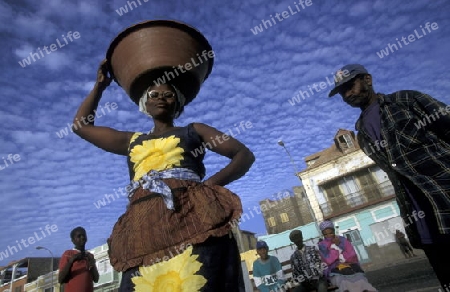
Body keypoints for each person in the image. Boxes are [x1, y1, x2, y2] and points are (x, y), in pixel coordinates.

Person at [72, 59, 255, 291]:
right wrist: (99, 86)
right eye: (154, 95)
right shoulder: (131, 141)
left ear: (177, 104)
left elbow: (243, 155)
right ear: (145, 105)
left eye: (168, 95)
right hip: (143, 230)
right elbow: (81, 126)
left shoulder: (193, 130)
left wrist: (208, 186)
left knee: (198, 280)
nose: (160, 98)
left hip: (192, 218)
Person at [328, 63, 450, 289]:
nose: (347, 94)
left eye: (350, 86)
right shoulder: (362, 134)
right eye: (342, 92)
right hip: (421, 221)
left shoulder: (406, 101)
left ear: (368, 79)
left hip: (444, 198)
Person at [318, 221, 377, 292]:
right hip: (334, 270)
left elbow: (352, 256)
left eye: (331, 233)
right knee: (344, 283)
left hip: (351, 268)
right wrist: (336, 248)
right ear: (323, 234)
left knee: (361, 280)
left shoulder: (343, 240)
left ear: (334, 231)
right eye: (326, 234)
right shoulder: (322, 245)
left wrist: (339, 244)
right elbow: (328, 260)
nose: (329, 236)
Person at [58, 227, 99, 292]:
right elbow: (61, 279)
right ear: (73, 240)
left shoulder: (89, 256)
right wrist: (71, 261)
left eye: (84, 235)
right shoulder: (68, 254)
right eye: (79, 236)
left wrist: (92, 264)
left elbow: (96, 279)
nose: (82, 237)